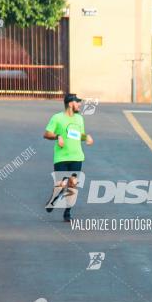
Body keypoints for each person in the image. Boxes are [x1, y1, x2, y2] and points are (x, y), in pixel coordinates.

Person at [43, 94, 93, 222]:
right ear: (71, 104)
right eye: (78, 103)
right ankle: (55, 198)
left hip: (77, 157)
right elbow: (46, 133)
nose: (80, 105)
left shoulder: (79, 119)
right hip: (61, 157)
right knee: (61, 184)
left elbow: (78, 135)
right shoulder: (57, 118)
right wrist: (57, 136)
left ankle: (67, 212)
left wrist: (86, 137)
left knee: (73, 185)